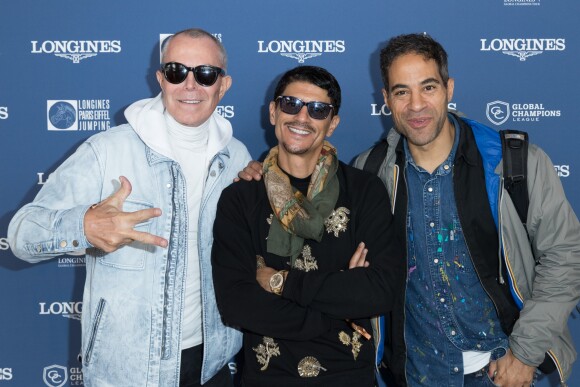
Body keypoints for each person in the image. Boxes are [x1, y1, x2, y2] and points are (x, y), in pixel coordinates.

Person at [238, 34, 580, 387]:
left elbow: (566, 258)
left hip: (505, 370)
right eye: (402, 91)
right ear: (386, 99)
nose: (416, 105)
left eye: (428, 87)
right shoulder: (369, 173)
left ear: (448, 88)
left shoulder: (514, 162)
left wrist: (524, 354)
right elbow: (316, 233)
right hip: (416, 374)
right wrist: (264, 174)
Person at [8, 28, 251, 387]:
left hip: (209, 364)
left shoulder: (237, 158)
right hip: (126, 371)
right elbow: (21, 235)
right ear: (160, 79)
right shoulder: (107, 151)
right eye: (176, 71)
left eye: (204, 73)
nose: (189, 85)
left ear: (223, 84)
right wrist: (84, 227)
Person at [211, 65, 405, 386]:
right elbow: (237, 305)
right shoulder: (241, 197)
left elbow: (381, 290)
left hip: (348, 376)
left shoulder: (364, 190)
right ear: (273, 112)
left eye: (317, 110)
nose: (302, 117)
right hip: (268, 377)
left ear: (332, 124)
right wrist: (337, 310)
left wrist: (279, 282)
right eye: (290, 104)